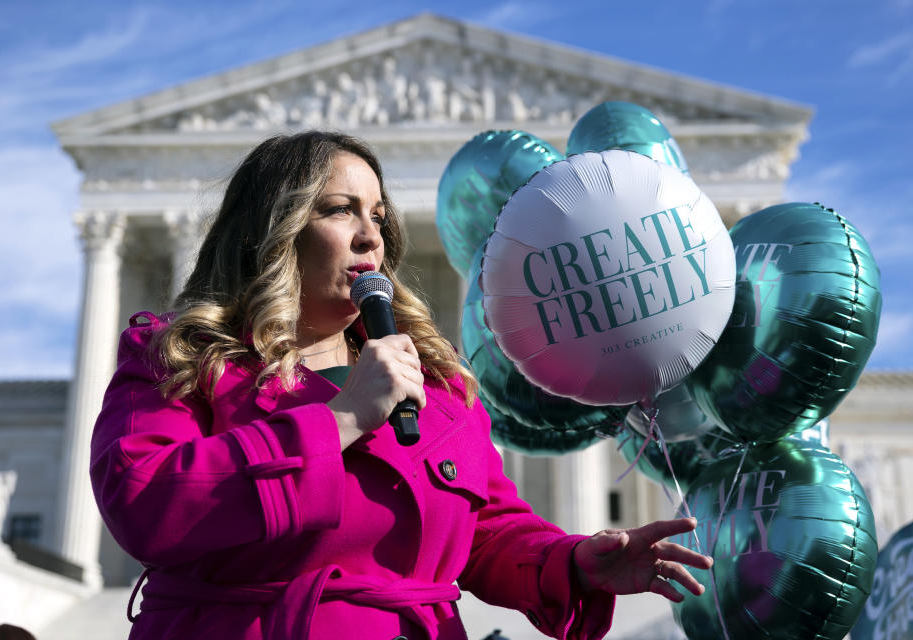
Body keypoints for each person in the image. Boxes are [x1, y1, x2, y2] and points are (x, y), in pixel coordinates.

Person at [90, 131, 712, 640]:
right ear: (272, 227)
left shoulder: (436, 389)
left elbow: (486, 531)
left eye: (379, 217)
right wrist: (344, 418)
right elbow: (144, 497)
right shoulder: (184, 356)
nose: (370, 236)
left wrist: (576, 561)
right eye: (340, 209)